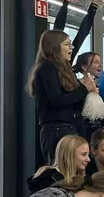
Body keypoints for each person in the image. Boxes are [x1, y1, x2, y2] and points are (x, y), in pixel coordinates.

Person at [29, 29, 96, 165]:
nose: (71, 48)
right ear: (54, 46)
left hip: (69, 128)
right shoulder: (47, 67)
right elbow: (57, 99)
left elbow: (71, 101)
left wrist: (89, 92)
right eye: (67, 44)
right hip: (57, 130)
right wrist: (84, 89)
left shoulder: (64, 70)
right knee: (62, 170)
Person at [73, 53, 104, 145]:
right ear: (84, 67)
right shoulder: (74, 86)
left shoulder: (102, 90)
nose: (100, 65)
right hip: (79, 138)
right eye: (96, 62)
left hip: (97, 139)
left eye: (101, 62)